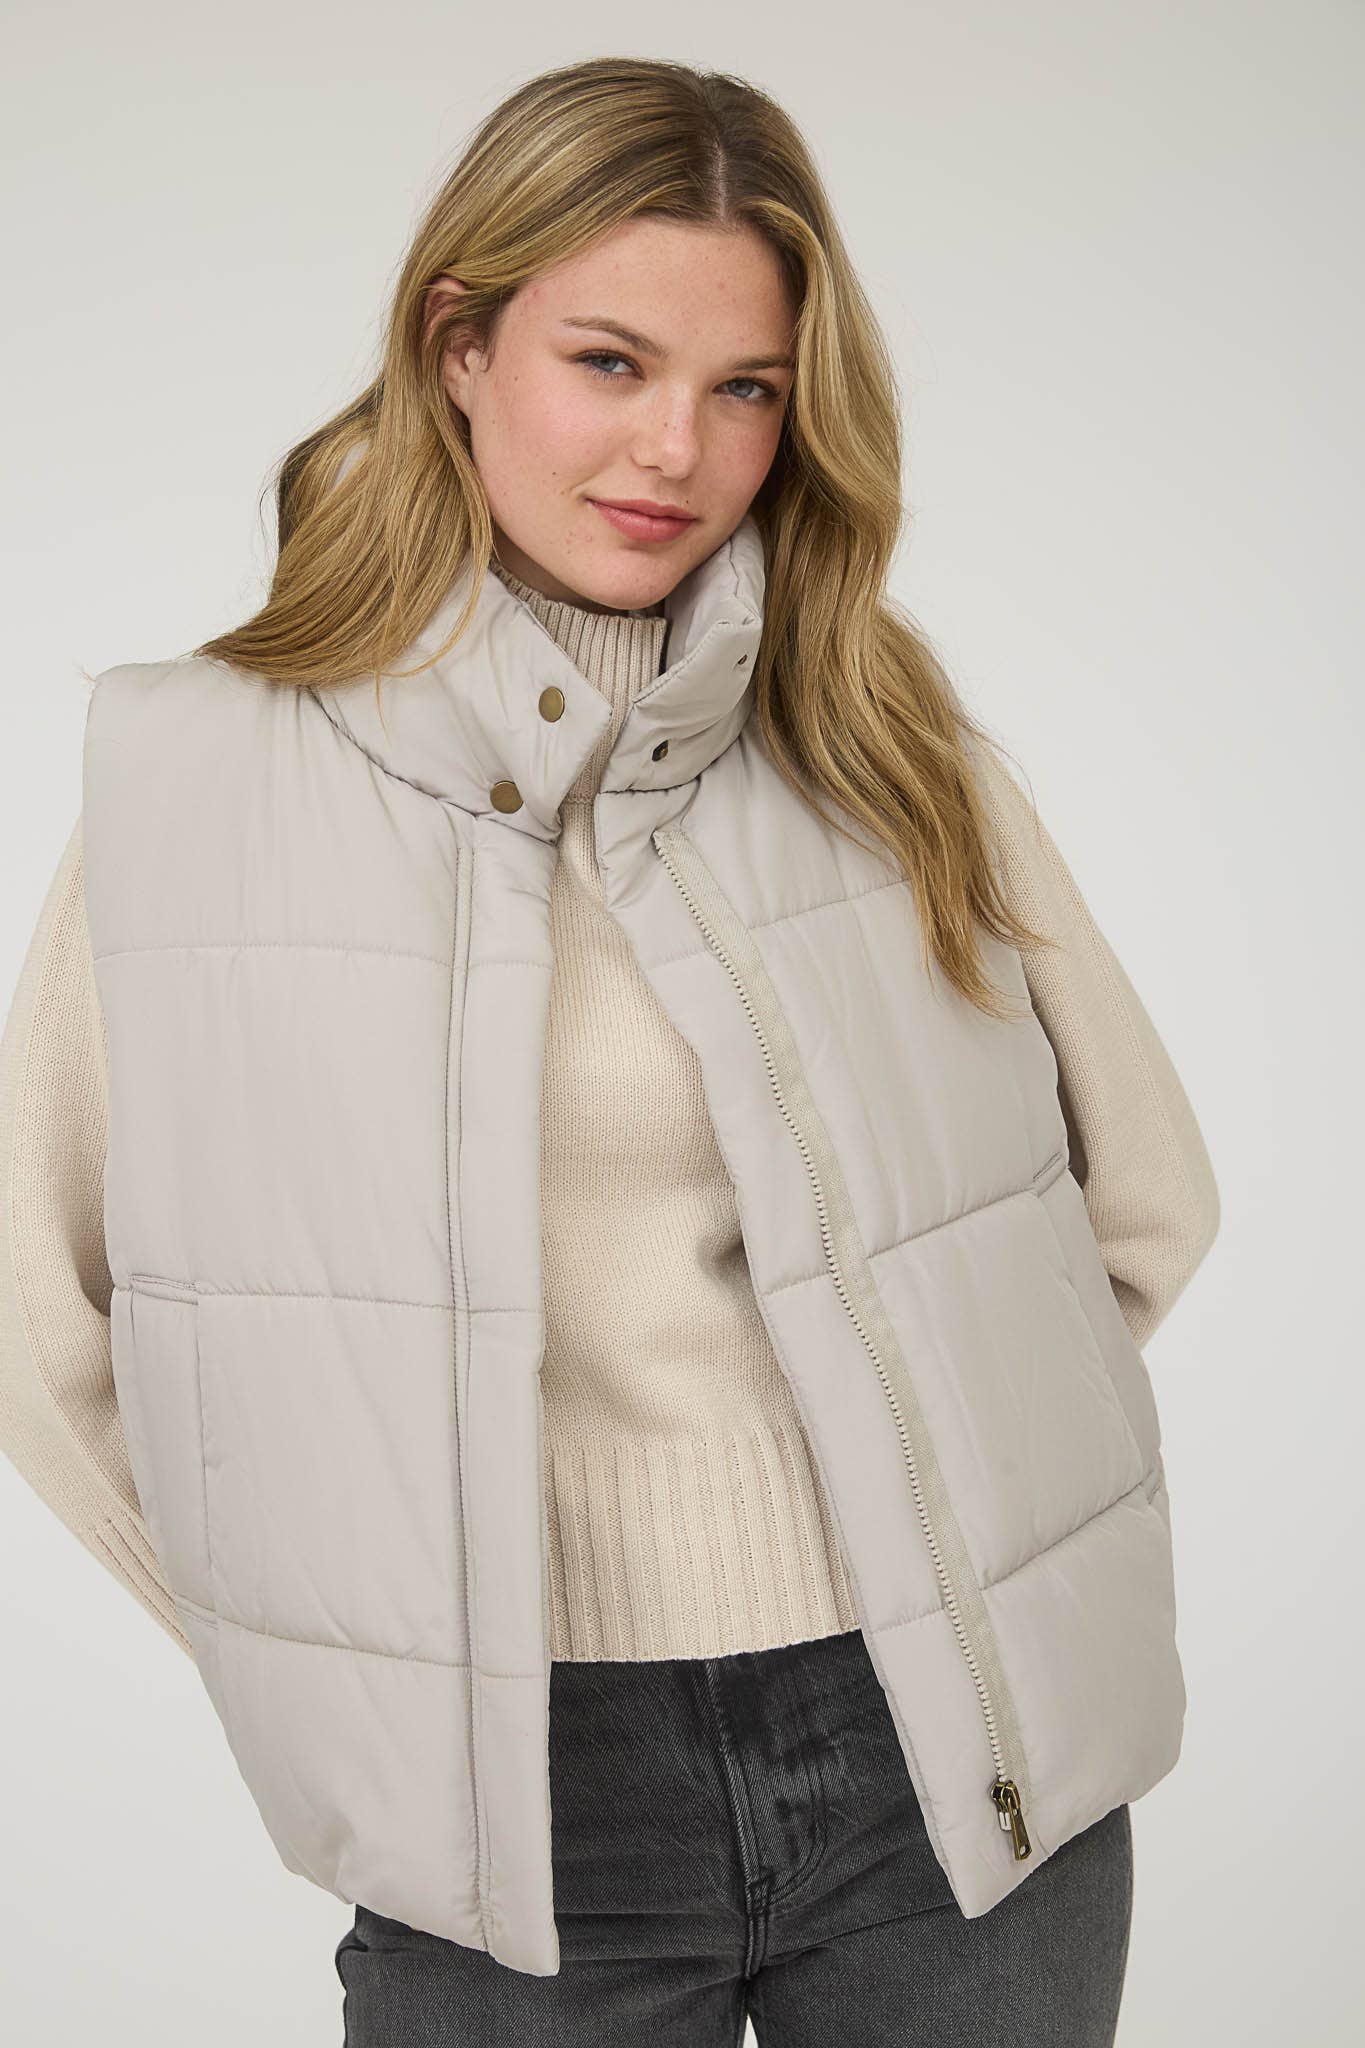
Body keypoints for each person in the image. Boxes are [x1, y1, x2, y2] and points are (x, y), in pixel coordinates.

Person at [0, 54, 1219, 2047]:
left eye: (745, 388)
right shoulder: (201, 777)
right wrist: (345, 1663)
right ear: (457, 347)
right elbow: (37, 1307)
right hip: (507, 1804)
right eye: (608, 362)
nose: (677, 448)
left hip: (944, 1756)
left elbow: (1139, 1202)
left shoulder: (880, 742)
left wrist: (936, 1505)